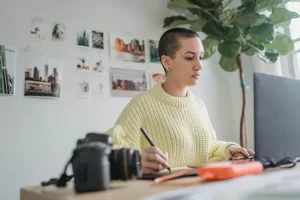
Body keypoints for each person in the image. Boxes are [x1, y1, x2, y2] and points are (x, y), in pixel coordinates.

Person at [105, 27, 255, 174]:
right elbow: (111, 154)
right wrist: (137, 162)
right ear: (167, 62)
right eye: (190, 58)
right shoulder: (141, 105)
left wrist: (227, 149)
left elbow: (207, 149)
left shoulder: (198, 105)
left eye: (200, 57)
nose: (199, 65)